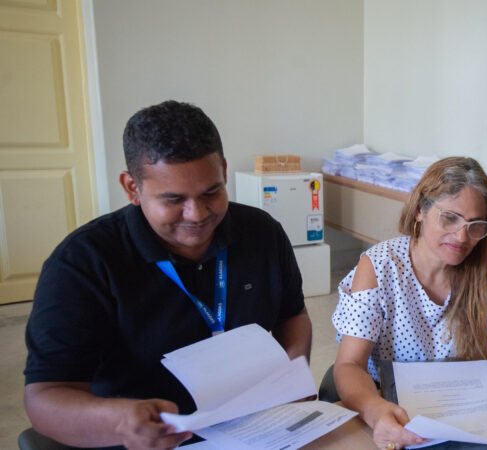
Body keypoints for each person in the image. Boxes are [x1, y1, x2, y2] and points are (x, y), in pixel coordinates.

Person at [23, 100, 312, 449]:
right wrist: (119, 423)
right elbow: (46, 397)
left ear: (222, 170)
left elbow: (292, 315)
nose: (197, 214)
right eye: (173, 199)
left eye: (211, 192)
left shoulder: (261, 232)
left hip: (252, 426)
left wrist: (292, 380)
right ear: (132, 188)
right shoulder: (82, 262)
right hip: (147, 440)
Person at [331, 157, 487, 450]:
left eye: (475, 225)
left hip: (459, 404)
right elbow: (350, 364)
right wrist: (373, 409)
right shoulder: (379, 266)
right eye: (450, 218)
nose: (462, 237)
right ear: (420, 210)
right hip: (387, 399)